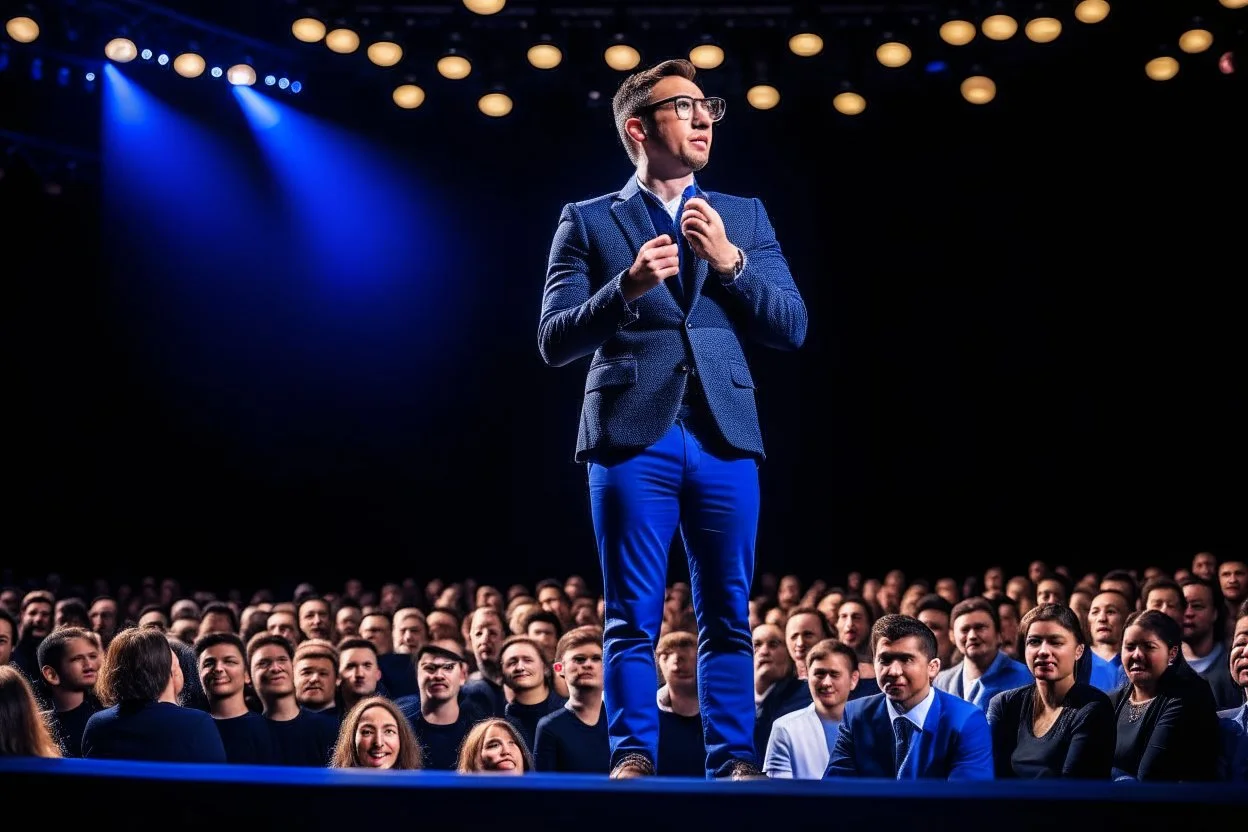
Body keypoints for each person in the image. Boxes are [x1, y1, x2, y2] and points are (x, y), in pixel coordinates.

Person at [537, 58, 807, 781]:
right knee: (632, 614)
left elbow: (793, 326)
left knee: (729, 611)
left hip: (724, 433)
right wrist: (624, 288)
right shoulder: (589, 219)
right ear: (638, 127)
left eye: (707, 105)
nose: (704, 118)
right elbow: (554, 339)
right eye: (684, 106)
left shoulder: (744, 215)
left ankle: (735, 761)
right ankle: (632, 755)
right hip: (630, 433)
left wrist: (730, 262)